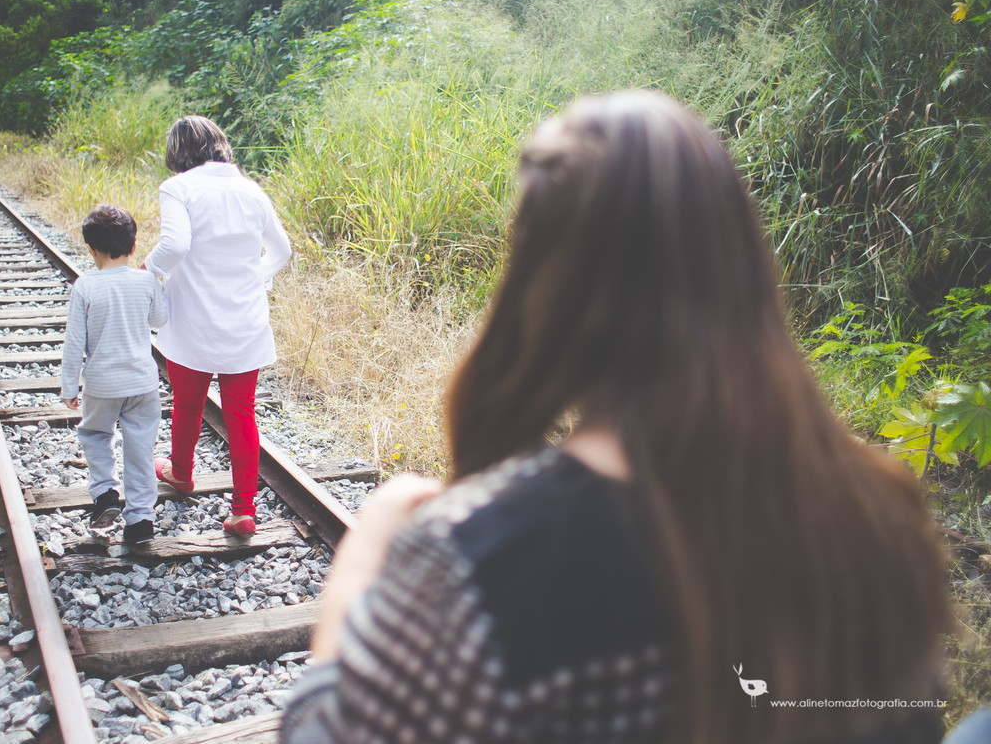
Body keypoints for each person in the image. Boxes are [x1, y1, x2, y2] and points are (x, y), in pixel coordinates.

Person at [280, 91, 954, 743]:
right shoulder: (882, 515)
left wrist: (365, 553)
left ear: (544, 288)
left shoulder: (480, 561)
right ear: (741, 261)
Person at [144, 115, 292, 537]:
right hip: (245, 320)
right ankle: (243, 510)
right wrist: (252, 279)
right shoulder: (251, 190)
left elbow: (175, 244)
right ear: (219, 144)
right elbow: (282, 251)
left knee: (188, 405)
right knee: (241, 414)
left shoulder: (178, 188)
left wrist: (147, 271)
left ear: (177, 152)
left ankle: (181, 473)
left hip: (192, 320)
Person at [60, 204, 168, 545]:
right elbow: (159, 320)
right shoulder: (145, 280)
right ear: (133, 247)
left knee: (95, 435)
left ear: (91, 249)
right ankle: (140, 520)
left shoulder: (85, 286)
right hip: (142, 384)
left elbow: (74, 343)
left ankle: (105, 493)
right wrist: (157, 284)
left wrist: (69, 386)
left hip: (101, 384)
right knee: (140, 447)